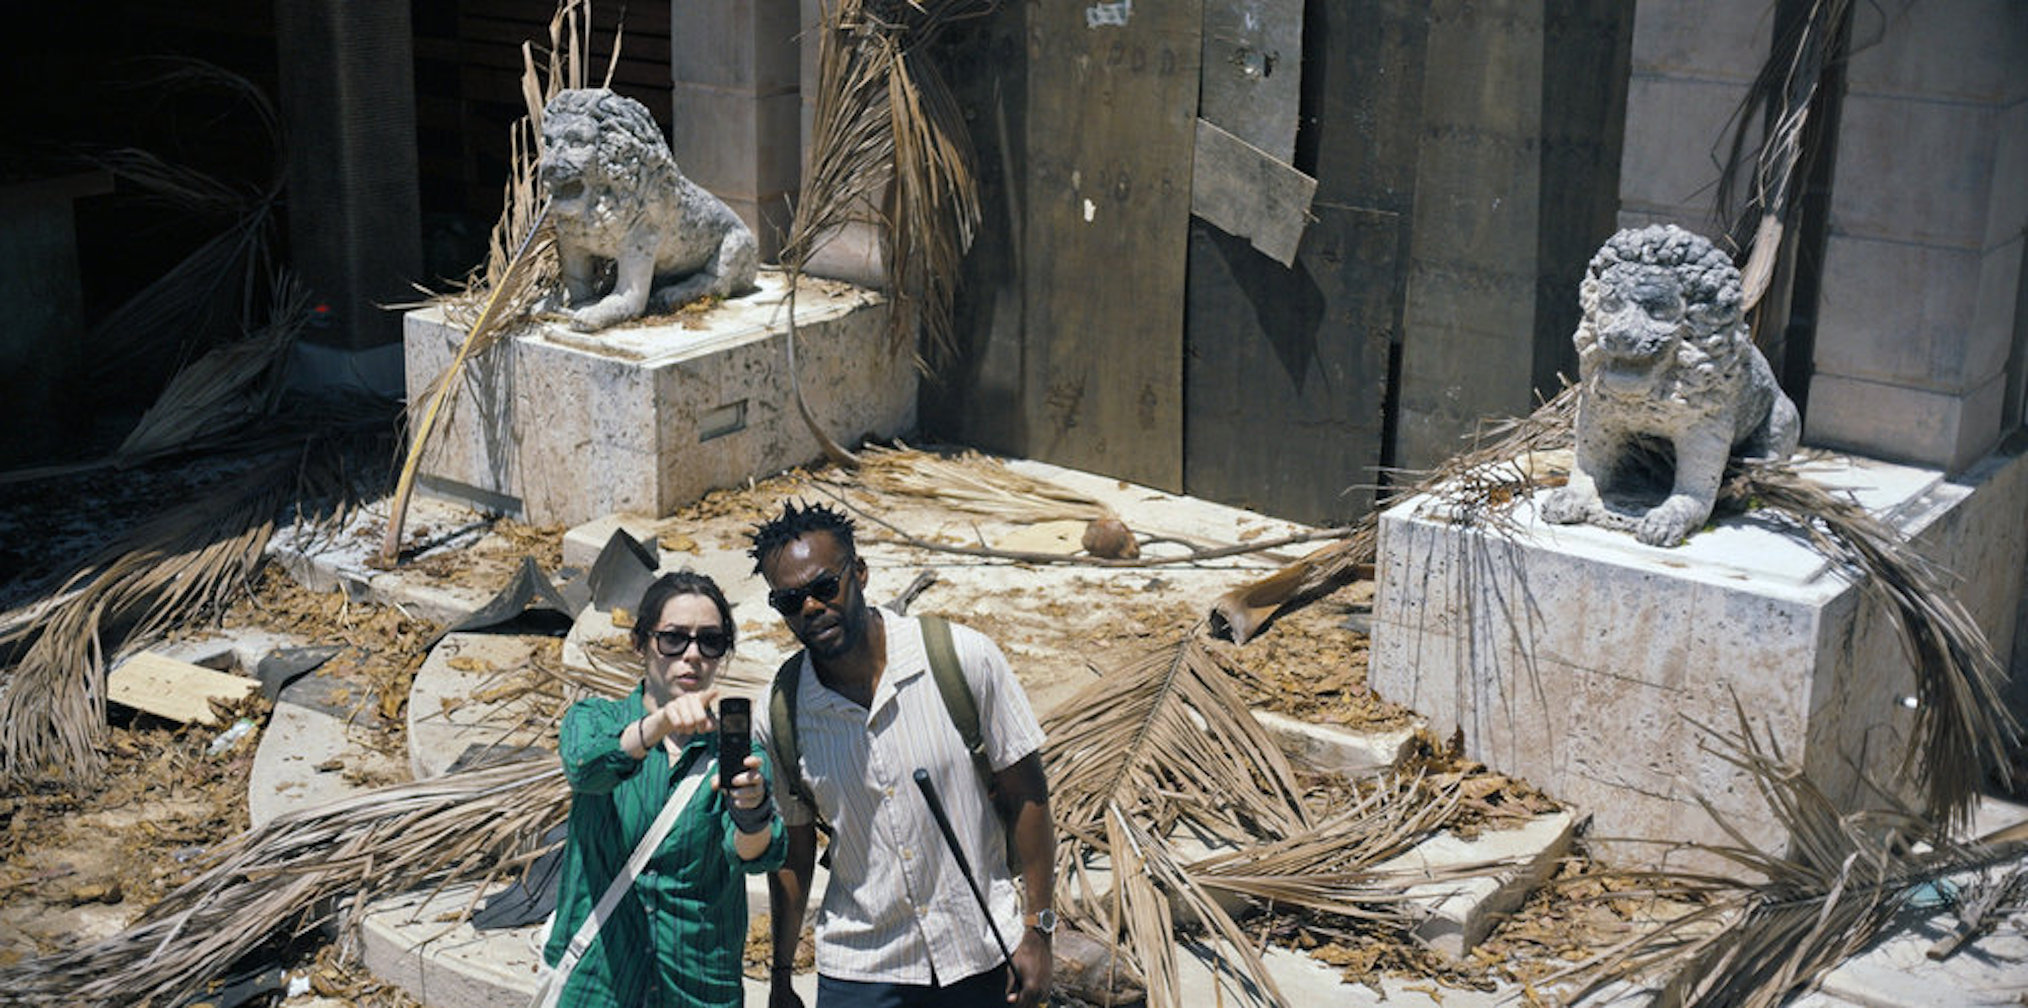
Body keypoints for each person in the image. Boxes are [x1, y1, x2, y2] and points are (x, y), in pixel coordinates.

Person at [751, 501, 1056, 1008]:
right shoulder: (779, 712)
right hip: (861, 967)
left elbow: (1029, 793)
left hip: (980, 949)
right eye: (789, 601)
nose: (810, 608)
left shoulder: (962, 658)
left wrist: (1038, 928)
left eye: (826, 587)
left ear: (861, 573)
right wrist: (781, 975)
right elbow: (795, 851)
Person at [544, 571, 786, 1007]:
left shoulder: (738, 755)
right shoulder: (596, 720)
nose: (692, 655)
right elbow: (586, 769)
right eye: (674, 639)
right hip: (600, 980)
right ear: (641, 643)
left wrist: (752, 813)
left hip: (696, 982)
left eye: (710, 642)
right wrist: (659, 724)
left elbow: (755, 855)